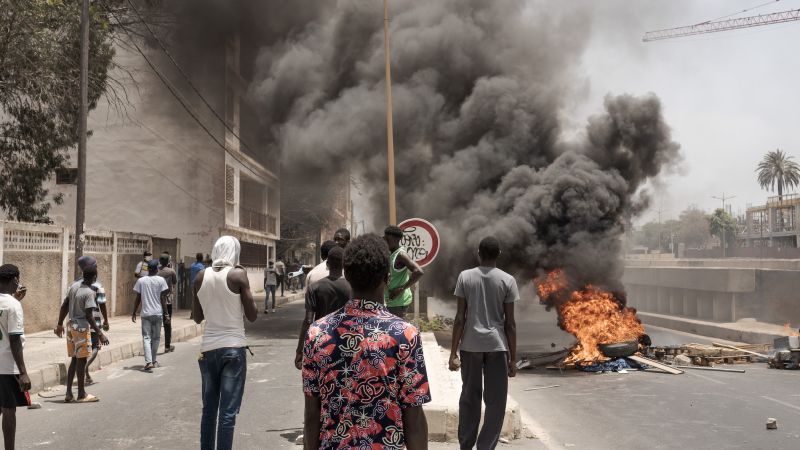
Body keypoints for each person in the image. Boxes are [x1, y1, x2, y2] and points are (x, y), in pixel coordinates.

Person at [302, 234, 430, 449]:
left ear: (347, 276)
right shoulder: (404, 335)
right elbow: (414, 416)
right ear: (388, 278)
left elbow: (312, 414)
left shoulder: (317, 333)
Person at [448, 237, 518, 450]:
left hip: (470, 346)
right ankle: (485, 446)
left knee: (469, 398)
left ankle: (466, 446)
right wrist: (513, 359)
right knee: (496, 402)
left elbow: (460, 317)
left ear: (478, 253)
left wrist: (453, 353)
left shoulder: (465, 277)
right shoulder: (508, 280)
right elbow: (510, 324)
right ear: (499, 254)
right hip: (497, 346)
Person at [193, 236, 257, 450]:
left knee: (208, 410)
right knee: (227, 413)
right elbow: (252, 315)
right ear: (235, 252)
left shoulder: (201, 276)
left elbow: (196, 316)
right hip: (233, 348)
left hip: (208, 349)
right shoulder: (238, 275)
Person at [55, 260, 109, 403]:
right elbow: (89, 316)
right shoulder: (90, 292)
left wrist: (59, 323)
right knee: (81, 360)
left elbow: (64, 305)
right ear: (94, 277)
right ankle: (81, 394)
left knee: (74, 359)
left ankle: (68, 393)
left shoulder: (73, 287)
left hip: (71, 327)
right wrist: (100, 333)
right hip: (82, 328)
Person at [294, 247, 350, 370]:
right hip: (346, 342)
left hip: (321, 342)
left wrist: (300, 351)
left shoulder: (314, 287)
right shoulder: (352, 288)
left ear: (327, 264)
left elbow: (308, 321)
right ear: (344, 264)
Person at [0, 265, 31, 450]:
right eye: (17, 280)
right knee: (8, 410)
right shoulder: (13, 305)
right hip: (6, 365)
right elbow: (14, 340)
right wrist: (23, 373)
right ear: (14, 280)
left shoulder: (10, 302)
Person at [132, 260, 169, 372]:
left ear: (147, 269)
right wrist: (166, 314)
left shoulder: (141, 281)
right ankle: (153, 360)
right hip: (158, 313)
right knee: (156, 338)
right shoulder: (161, 280)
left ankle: (149, 362)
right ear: (157, 269)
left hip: (146, 313)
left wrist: (134, 311)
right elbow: (163, 298)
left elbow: (138, 298)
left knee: (147, 338)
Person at [383, 225, 425, 318]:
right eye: (384, 238)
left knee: (395, 329)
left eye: (387, 239)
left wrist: (401, 289)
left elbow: (418, 271)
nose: (385, 241)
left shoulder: (401, 255)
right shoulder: (390, 253)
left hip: (398, 302)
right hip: (391, 301)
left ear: (396, 240)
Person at [158, 254, 178, 353]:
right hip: (167, 300)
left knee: (157, 324)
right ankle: (167, 346)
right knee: (167, 323)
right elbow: (175, 282)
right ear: (168, 262)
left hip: (156, 300)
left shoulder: (156, 270)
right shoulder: (171, 271)